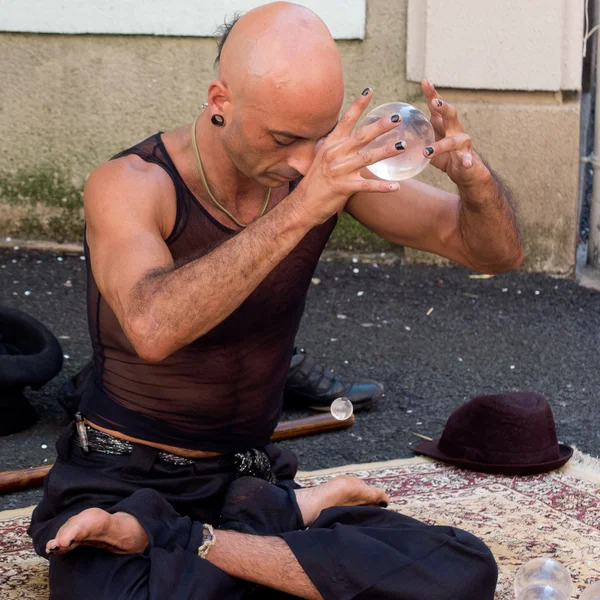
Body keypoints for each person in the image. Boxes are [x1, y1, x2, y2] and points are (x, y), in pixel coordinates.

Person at [28, 2, 522, 598]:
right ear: (220, 101)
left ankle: (195, 537)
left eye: (319, 138)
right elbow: (151, 326)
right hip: (124, 477)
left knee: (460, 569)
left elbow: (491, 253)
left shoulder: (317, 172)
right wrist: (302, 208)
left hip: (246, 479)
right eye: (284, 138)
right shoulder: (132, 184)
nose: (302, 163)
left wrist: (474, 179)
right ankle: (262, 530)